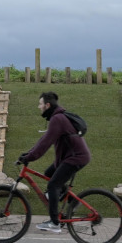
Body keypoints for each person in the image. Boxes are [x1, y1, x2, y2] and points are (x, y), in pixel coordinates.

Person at [17, 91, 91, 233]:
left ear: (47, 105)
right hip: (71, 156)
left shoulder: (57, 119)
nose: (39, 107)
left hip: (75, 157)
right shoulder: (57, 118)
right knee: (49, 173)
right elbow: (43, 139)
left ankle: (54, 223)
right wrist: (28, 153)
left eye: (40, 104)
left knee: (53, 185)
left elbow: (45, 144)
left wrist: (29, 158)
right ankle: (72, 202)